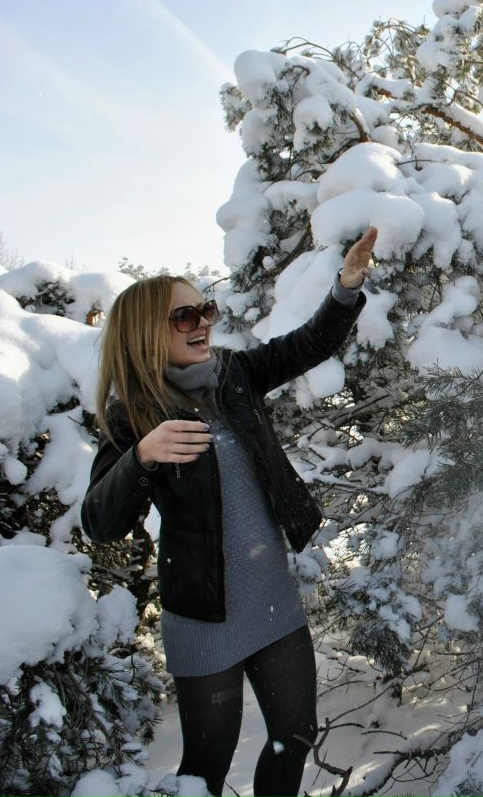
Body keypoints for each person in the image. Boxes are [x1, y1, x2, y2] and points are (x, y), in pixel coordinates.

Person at [81, 227, 377, 797]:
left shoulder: (234, 377)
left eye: (205, 309)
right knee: (206, 768)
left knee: (295, 737)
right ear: (145, 334)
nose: (203, 323)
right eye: (184, 316)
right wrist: (142, 456)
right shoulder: (133, 420)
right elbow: (100, 524)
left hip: (274, 606)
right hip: (203, 619)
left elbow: (306, 345)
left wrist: (347, 286)